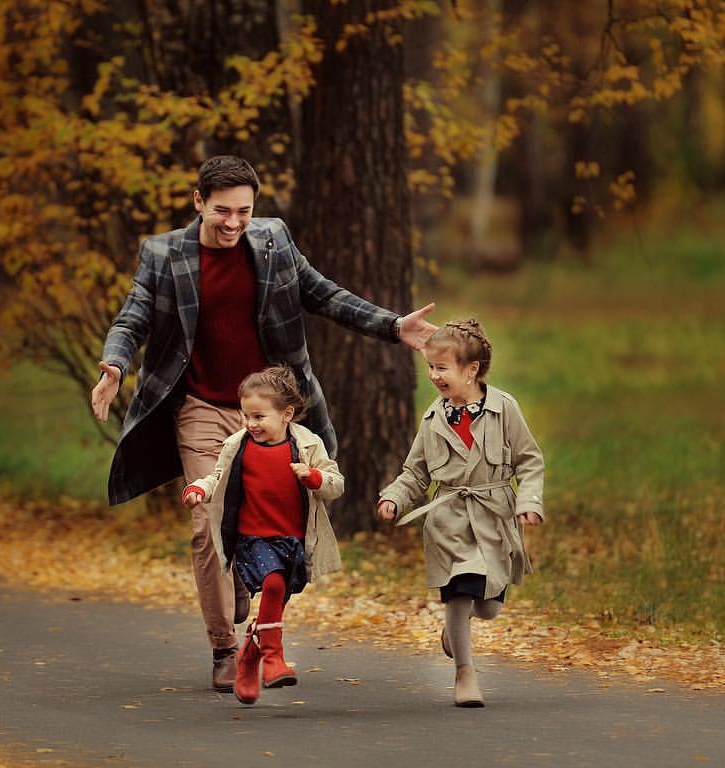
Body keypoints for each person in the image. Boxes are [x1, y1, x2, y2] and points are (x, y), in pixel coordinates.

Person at [90, 155, 436, 691]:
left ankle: (251, 595)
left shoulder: (273, 241)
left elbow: (324, 295)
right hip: (202, 406)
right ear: (198, 201)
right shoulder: (163, 255)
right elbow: (132, 317)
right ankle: (225, 649)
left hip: (269, 410)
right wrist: (114, 365)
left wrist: (392, 327)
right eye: (222, 211)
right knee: (208, 525)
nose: (233, 223)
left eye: (244, 212)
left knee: (272, 527)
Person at [376, 319, 544, 707]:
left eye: (442, 368)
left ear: (471, 370)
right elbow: (415, 471)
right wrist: (395, 498)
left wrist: (529, 501)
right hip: (448, 519)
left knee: (487, 607)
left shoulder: (505, 409)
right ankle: (465, 673)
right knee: (459, 590)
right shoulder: (433, 420)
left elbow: (529, 461)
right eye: (431, 368)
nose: (434, 376)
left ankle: (459, 628)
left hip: (494, 516)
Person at [182, 366, 343, 705]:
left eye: (259, 416)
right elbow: (218, 478)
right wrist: (199, 487)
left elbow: (335, 484)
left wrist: (313, 477)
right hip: (253, 539)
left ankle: (248, 659)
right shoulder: (238, 445)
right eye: (246, 416)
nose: (251, 424)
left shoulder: (306, 445)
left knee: (273, 607)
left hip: (294, 541)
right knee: (271, 585)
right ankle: (273, 659)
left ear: (286, 414)